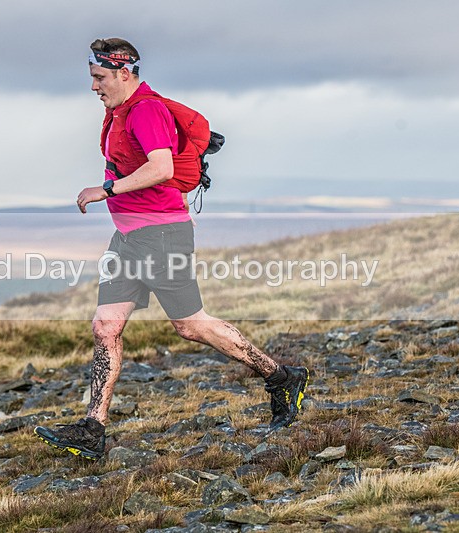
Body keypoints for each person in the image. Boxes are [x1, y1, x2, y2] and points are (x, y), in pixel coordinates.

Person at [34, 38, 309, 460]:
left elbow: (161, 167)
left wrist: (105, 190)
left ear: (124, 73)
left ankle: (282, 376)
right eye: (93, 77)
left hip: (161, 237)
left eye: (99, 78)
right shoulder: (117, 112)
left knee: (191, 325)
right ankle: (93, 429)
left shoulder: (146, 111)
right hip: (129, 239)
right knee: (106, 327)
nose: (93, 87)